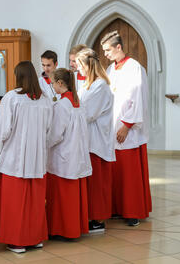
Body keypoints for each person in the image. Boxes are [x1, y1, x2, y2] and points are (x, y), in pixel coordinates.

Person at [0, 61, 53, 253]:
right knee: (35, 200)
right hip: (36, 158)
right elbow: (49, 130)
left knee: (15, 201)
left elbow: (3, 130)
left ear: (19, 76)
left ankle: (17, 241)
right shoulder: (45, 99)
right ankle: (34, 238)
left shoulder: (12, 97)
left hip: (14, 158)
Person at [101, 31, 151, 226]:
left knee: (129, 174)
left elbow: (138, 98)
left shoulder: (134, 68)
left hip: (128, 129)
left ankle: (132, 212)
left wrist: (127, 125)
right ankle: (117, 208)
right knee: (116, 172)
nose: (105, 54)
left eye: (108, 50)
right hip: (112, 126)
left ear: (118, 47)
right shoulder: (110, 69)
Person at [46, 68, 92, 239]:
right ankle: (75, 227)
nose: (52, 87)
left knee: (62, 195)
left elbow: (56, 134)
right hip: (76, 153)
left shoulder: (62, 105)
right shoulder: (77, 102)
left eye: (52, 84)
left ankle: (62, 230)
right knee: (73, 194)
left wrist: (45, 144)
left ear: (60, 83)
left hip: (63, 154)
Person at [76, 48, 116, 232]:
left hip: (97, 140)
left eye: (79, 65)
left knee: (97, 183)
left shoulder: (100, 86)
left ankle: (98, 219)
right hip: (88, 140)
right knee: (91, 182)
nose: (78, 69)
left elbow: (89, 113)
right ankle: (89, 215)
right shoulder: (87, 85)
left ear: (87, 65)